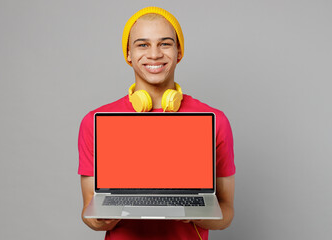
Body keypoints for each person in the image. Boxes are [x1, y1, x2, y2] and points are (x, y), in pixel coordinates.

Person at [78, 6, 235, 240]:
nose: (154, 54)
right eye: (143, 44)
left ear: (179, 51)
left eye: (165, 43)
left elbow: (227, 211)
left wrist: (195, 213)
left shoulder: (215, 121)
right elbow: (90, 213)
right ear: (128, 54)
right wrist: (102, 217)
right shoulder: (94, 122)